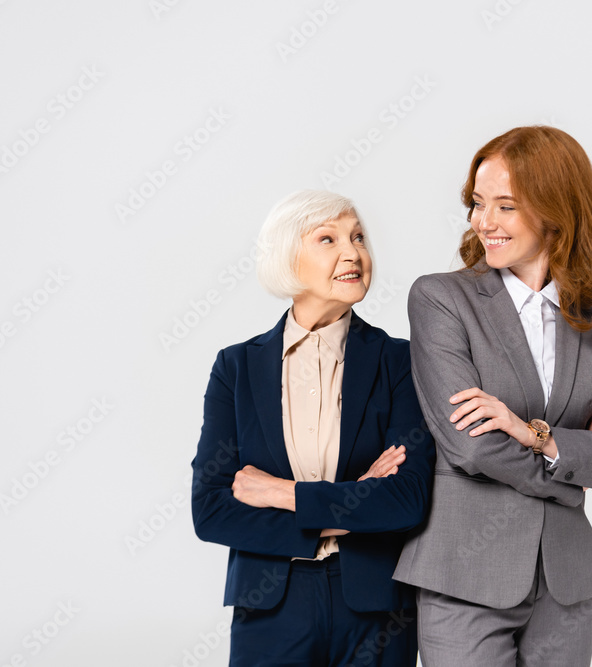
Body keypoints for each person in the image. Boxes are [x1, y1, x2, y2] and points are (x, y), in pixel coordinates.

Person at [393, 126, 592, 666]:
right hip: (464, 577)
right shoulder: (441, 300)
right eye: (477, 203)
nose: (482, 222)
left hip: (567, 583)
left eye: (505, 206)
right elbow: (469, 448)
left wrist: (530, 433)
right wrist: (574, 460)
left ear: (556, 210)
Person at [191, 190, 435, 666]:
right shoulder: (236, 367)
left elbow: (406, 500)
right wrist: (354, 500)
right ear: (288, 258)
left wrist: (282, 493)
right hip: (270, 605)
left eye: (358, 237)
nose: (354, 253)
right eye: (328, 239)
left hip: (375, 606)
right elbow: (212, 509)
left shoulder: (400, 361)